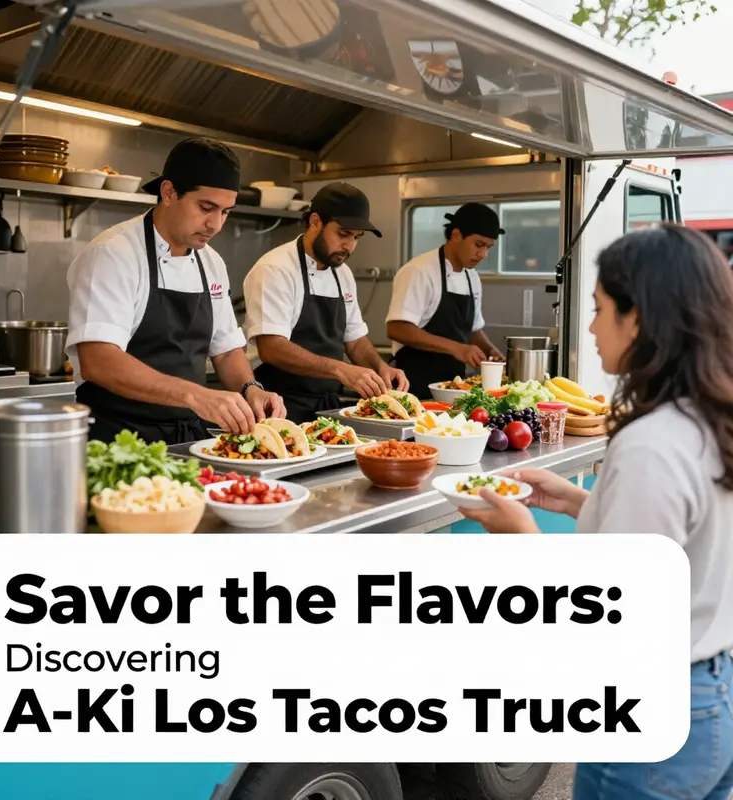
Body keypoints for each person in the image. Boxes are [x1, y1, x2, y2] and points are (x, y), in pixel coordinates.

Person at [460, 224, 733, 800]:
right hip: (712, 692)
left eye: (599, 308)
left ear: (640, 318)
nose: (589, 326)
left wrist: (522, 534)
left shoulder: (652, 442)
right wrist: (582, 500)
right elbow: (687, 546)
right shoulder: (710, 419)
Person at [66, 137, 285, 445]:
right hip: (118, 439)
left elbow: (225, 350)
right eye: (206, 207)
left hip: (187, 438)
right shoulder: (113, 254)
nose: (216, 224)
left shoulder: (211, 262)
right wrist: (196, 395)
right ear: (168, 193)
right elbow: (99, 360)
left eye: (225, 211)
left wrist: (251, 388)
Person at [243, 182, 408, 423]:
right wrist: (341, 369)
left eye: (356, 238)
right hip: (279, 408)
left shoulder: (342, 273)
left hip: (328, 408)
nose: (349, 246)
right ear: (315, 222)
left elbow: (355, 340)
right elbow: (272, 347)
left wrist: (380, 367)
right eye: (343, 234)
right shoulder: (275, 269)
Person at [386, 203, 505, 399]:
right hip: (414, 385)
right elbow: (397, 328)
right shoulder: (419, 271)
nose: (484, 255)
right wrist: (457, 348)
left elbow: (473, 330)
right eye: (479, 244)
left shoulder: (471, 277)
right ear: (456, 235)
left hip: (453, 386)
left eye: (489, 247)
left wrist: (492, 353)